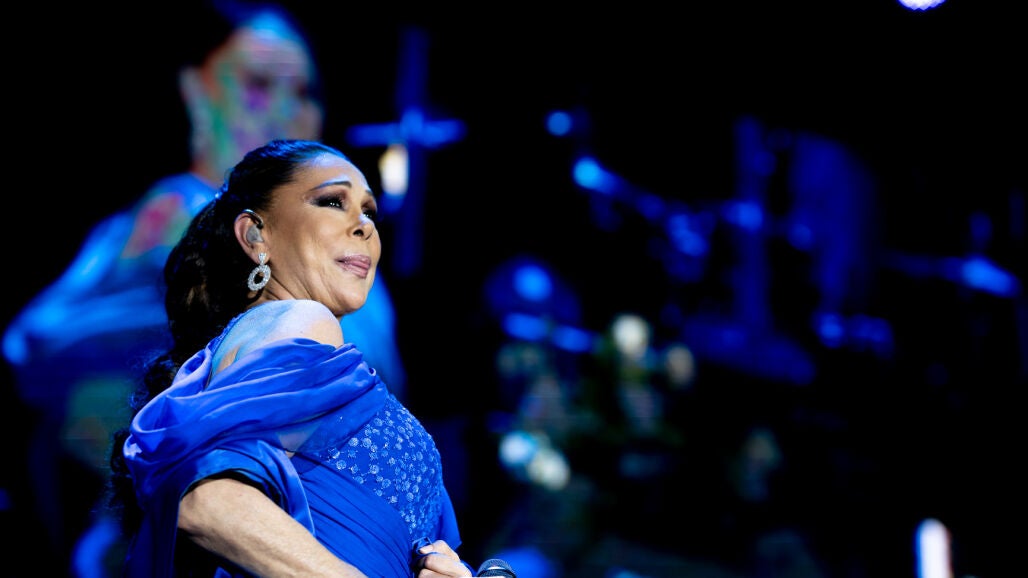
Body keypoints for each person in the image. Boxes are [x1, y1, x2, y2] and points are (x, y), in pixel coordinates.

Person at [2, 2, 406, 574]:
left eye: (303, 92)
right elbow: (40, 342)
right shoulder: (177, 212)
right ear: (198, 94)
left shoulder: (349, 247)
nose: (286, 110)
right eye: (259, 85)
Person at [106, 138, 486, 577]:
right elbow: (205, 500)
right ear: (256, 235)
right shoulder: (302, 319)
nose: (364, 226)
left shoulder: (285, 343)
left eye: (369, 211)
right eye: (332, 201)